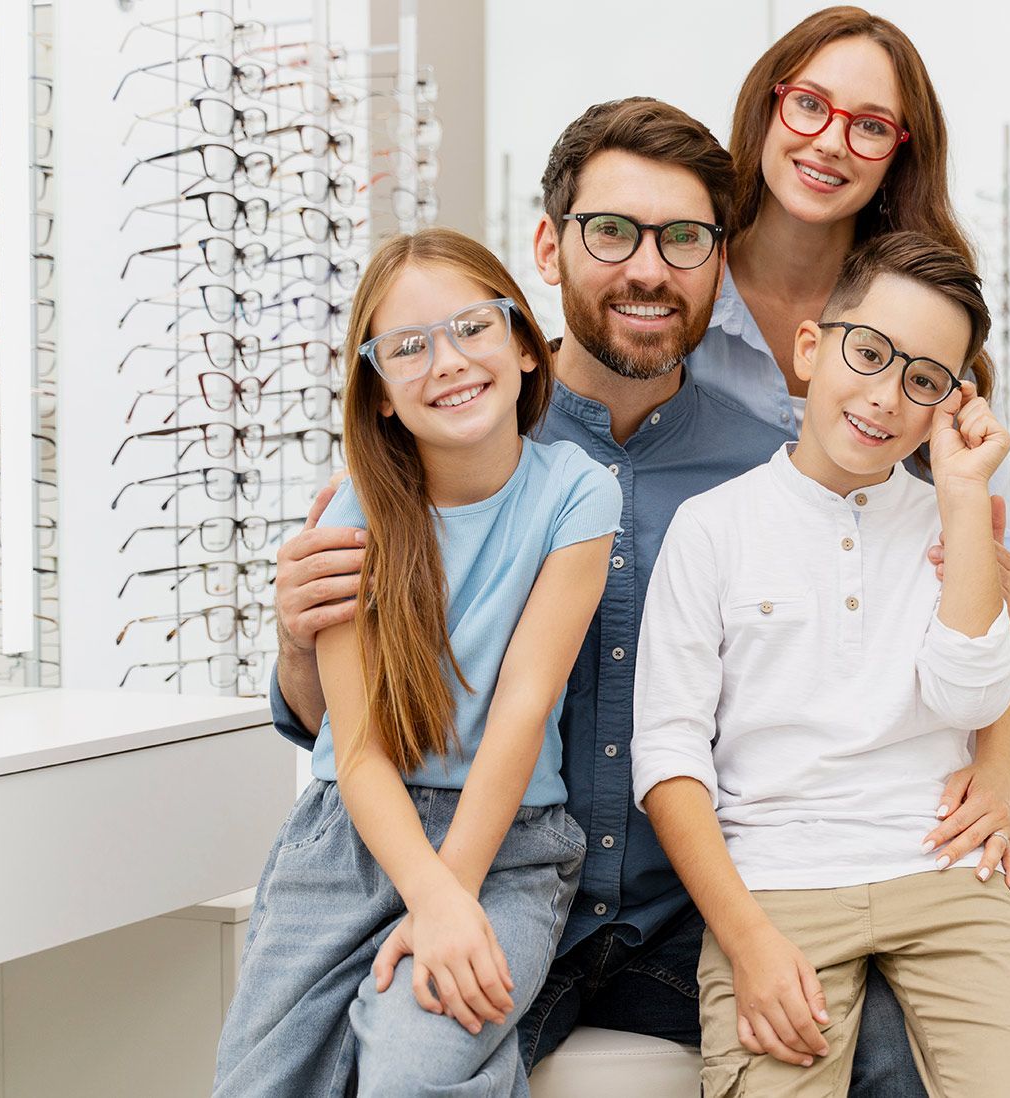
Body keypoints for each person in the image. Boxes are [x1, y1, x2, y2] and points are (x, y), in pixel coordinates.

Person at [264, 99, 953, 1088]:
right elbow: (332, 724)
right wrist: (297, 646)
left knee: (887, 1048)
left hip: (693, 915)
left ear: (720, 261)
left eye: (683, 239)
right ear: (549, 246)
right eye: (612, 232)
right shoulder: (463, 434)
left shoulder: (779, 464)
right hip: (506, 883)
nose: (648, 269)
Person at [689, 7, 1010, 1087]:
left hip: (891, 786)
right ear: (770, 103)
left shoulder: (916, 304)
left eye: (873, 126)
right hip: (754, 781)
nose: (831, 142)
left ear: (902, 151)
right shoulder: (689, 283)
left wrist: (997, 774)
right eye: (810, 105)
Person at [635, 232, 1010, 1097]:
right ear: (810, 348)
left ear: (951, 405)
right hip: (776, 888)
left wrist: (959, 496)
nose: (884, 398)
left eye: (923, 381)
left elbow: (972, 691)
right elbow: (668, 759)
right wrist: (745, 939)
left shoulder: (955, 523)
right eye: (869, 354)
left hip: (947, 879)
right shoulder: (712, 528)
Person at [212, 227, 622, 1097]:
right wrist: (426, 894)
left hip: (505, 845)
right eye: (408, 348)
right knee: (261, 1082)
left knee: (411, 1065)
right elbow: (355, 753)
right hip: (351, 842)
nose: (448, 361)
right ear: (383, 394)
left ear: (521, 343)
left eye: (472, 328)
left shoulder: (578, 493)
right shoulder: (356, 511)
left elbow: (521, 708)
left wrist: (453, 894)